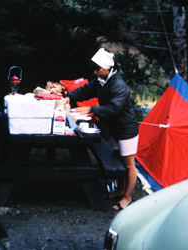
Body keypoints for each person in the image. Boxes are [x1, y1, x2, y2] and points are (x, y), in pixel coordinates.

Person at [64, 48, 139, 210]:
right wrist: (69, 97)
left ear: (107, 68)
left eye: (98, 69)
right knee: (119, 160)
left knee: (128, 164)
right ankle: (120, 190)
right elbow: (84, 90)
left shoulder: (119, 85)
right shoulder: (101, 81)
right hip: (115, 128)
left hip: (126, 129)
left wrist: (91, 109)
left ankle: (127, 197)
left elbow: (114, 109)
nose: (95, 72)